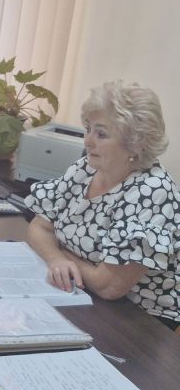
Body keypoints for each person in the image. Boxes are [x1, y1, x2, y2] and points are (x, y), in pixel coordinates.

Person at [25, 80, 180, 331]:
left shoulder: (153, 192)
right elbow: (39, 227)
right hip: (81, 295)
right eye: (88, 129)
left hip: (139, 322)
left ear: (135, 143)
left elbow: (109, 286)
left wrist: (63, 254)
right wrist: (55, 259)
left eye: (101, 134)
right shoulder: (86, 168)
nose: (87, 141)